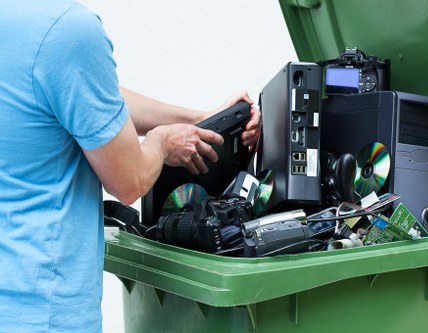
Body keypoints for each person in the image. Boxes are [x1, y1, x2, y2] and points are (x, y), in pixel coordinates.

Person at [0, 1, 261, 332]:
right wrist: (161, 143)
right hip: (44, 314)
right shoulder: (66, 30)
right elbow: (130, 180)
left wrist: (202, 121)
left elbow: (87, 95)